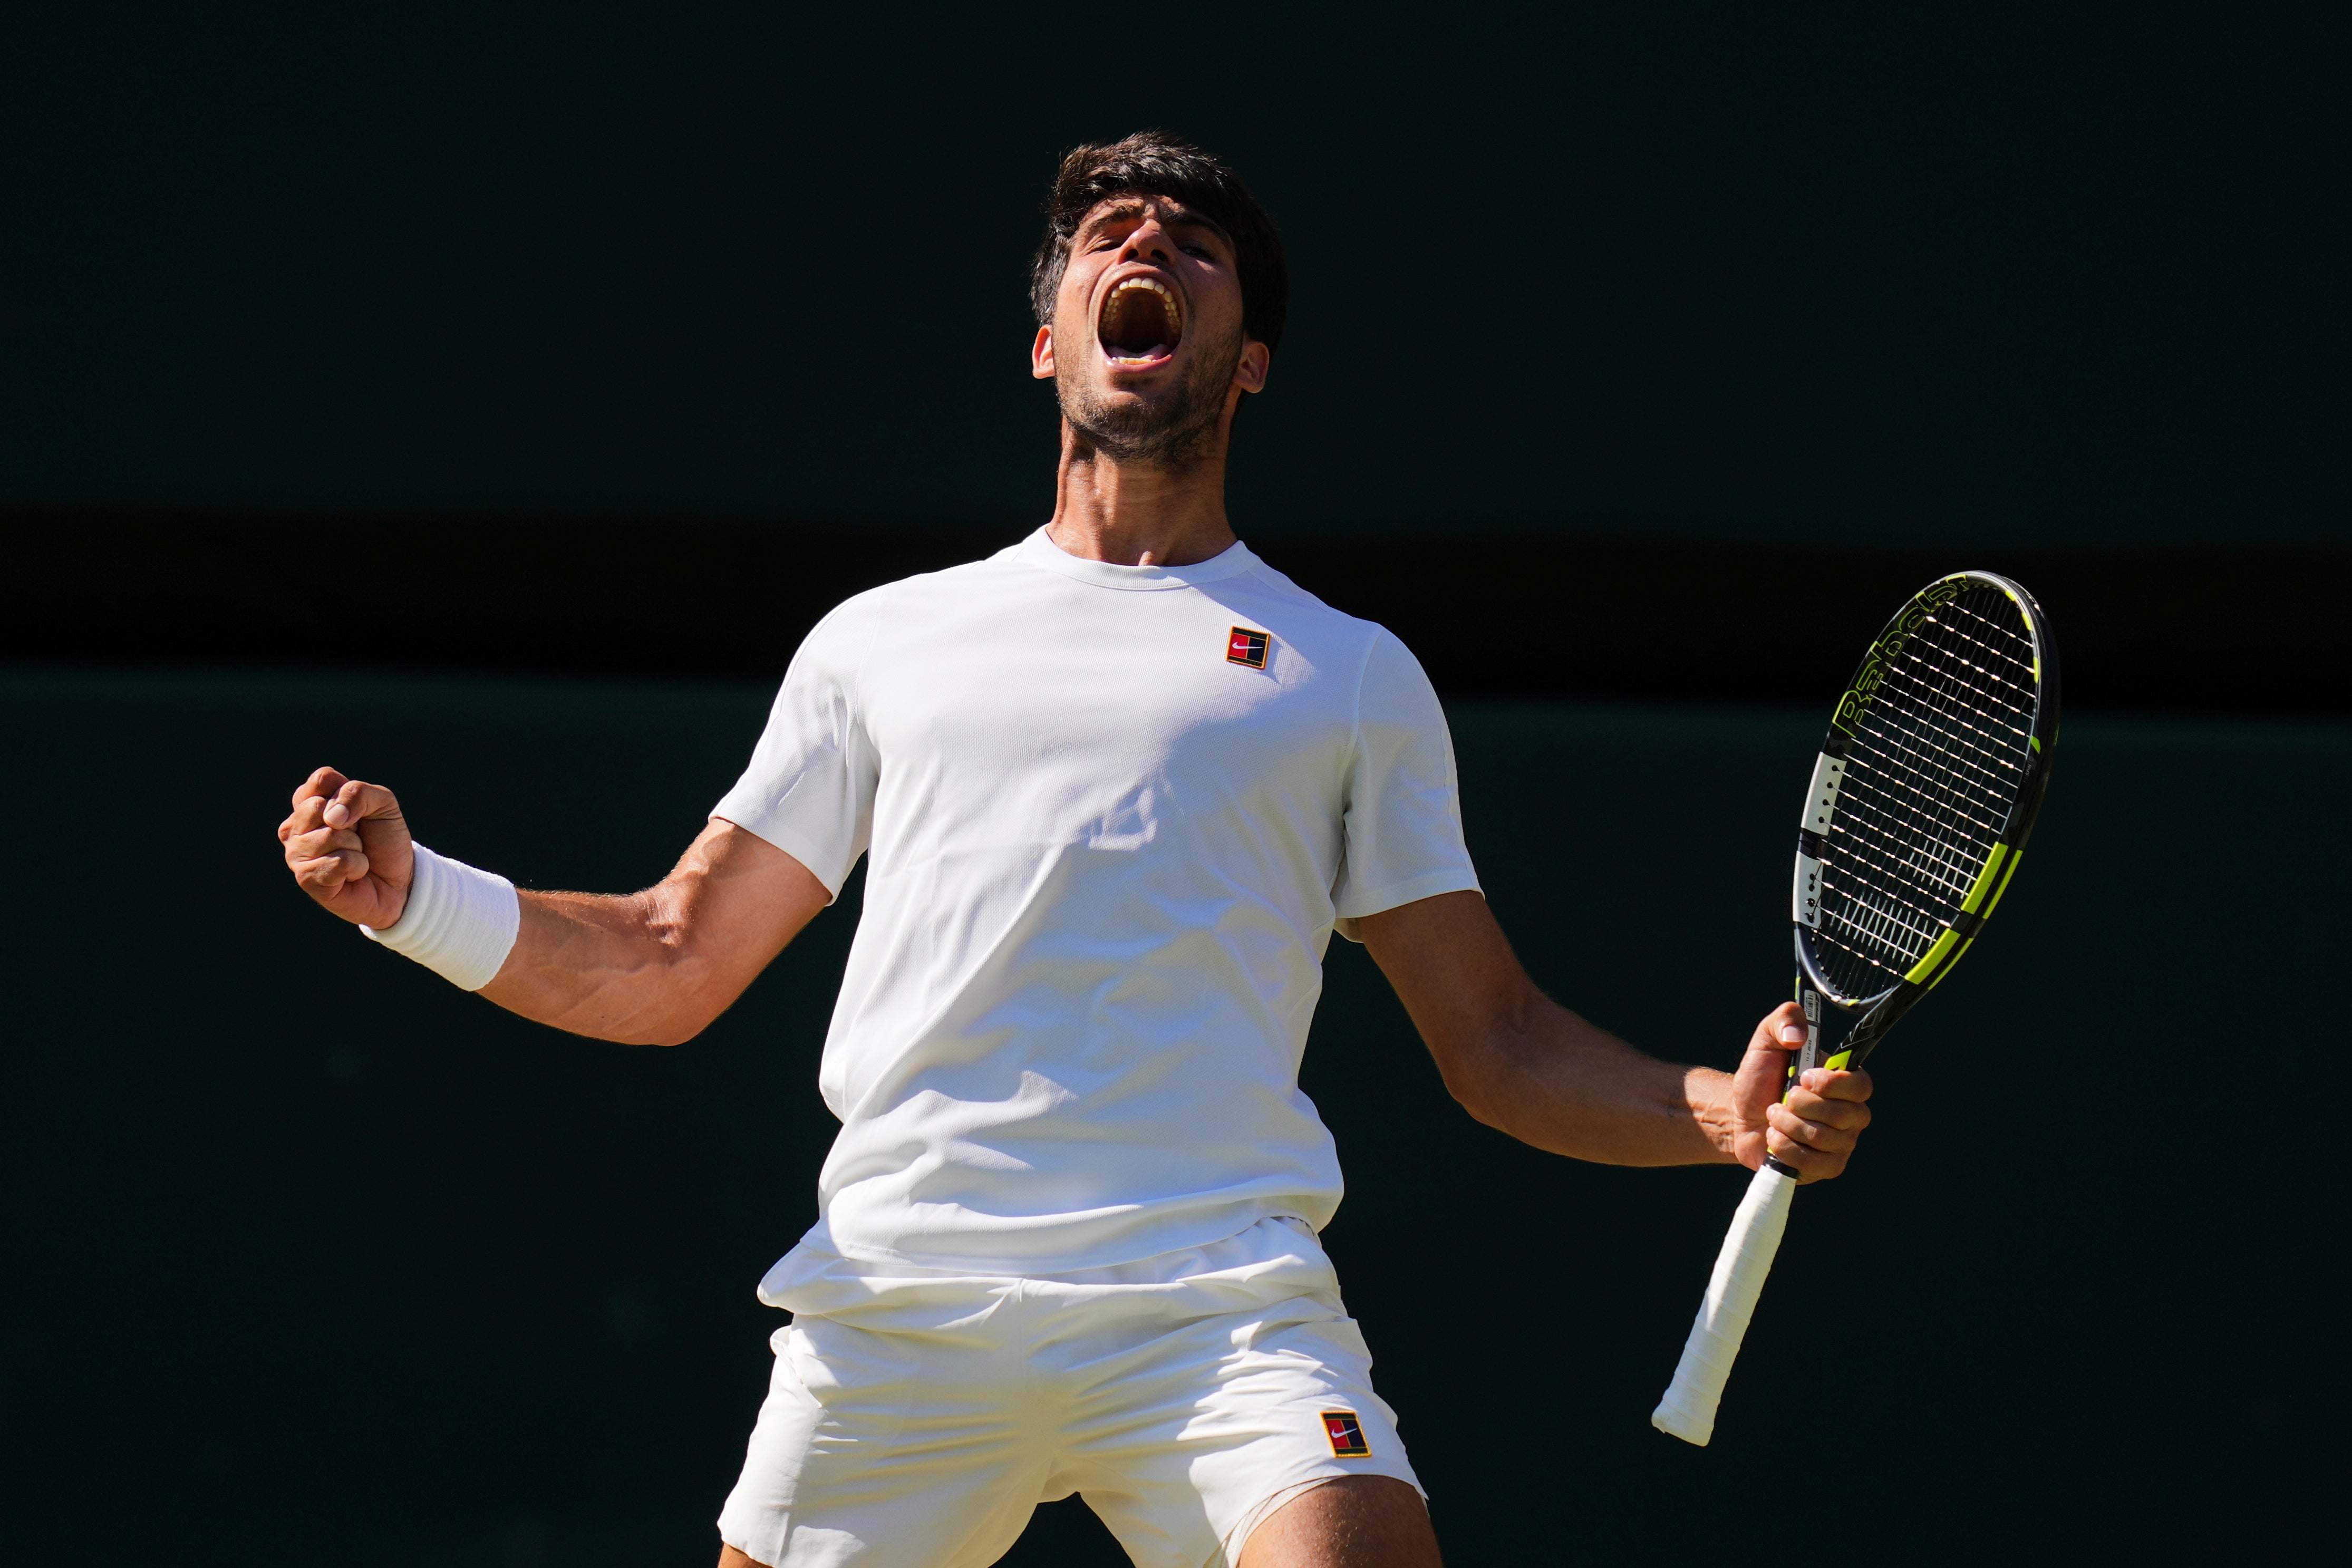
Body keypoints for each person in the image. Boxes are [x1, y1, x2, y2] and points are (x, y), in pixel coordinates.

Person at [278, 132, 1873, 1568]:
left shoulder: (1353, 678)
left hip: (1212, 1315)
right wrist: (414, 900)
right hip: (903, 1307)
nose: (1147, 247)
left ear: (1249, 360)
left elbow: (1499, 1041)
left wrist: (1714, 1117)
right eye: (1113, 232)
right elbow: (672, 959)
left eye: (1193, 244)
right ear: (1051, 344)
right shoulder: (882, 644)